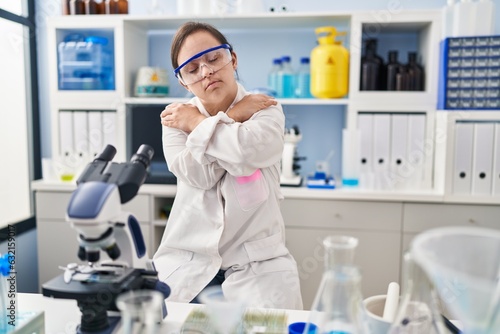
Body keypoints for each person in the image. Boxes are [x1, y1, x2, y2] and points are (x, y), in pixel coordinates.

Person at [154, 21, 303, 310]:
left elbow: (245, 152)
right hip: (190, 262)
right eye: (192, 68)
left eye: (213, 58)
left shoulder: (266, 107)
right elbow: (198, 174)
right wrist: (233, 116)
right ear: (183, 81)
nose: (206, 71)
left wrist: (197, 124)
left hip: (257, 264)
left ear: (232, 59)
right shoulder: (174, 118)